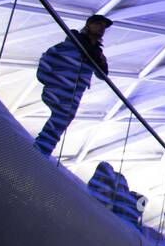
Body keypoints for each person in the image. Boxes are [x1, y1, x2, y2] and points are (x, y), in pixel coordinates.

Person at [34, 14, 112, 156]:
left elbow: (102, 74)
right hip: (60, 89)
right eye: (98, 24)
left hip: (74, 92)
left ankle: (42, 149)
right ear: (88, 25)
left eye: (104, 26)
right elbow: (47, 58)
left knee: (63, 119)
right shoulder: (73, 44)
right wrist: (51, 81)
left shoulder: (95, 53)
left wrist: (101, 60)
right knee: (61, 117)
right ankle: (40, 150)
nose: (102, 28)